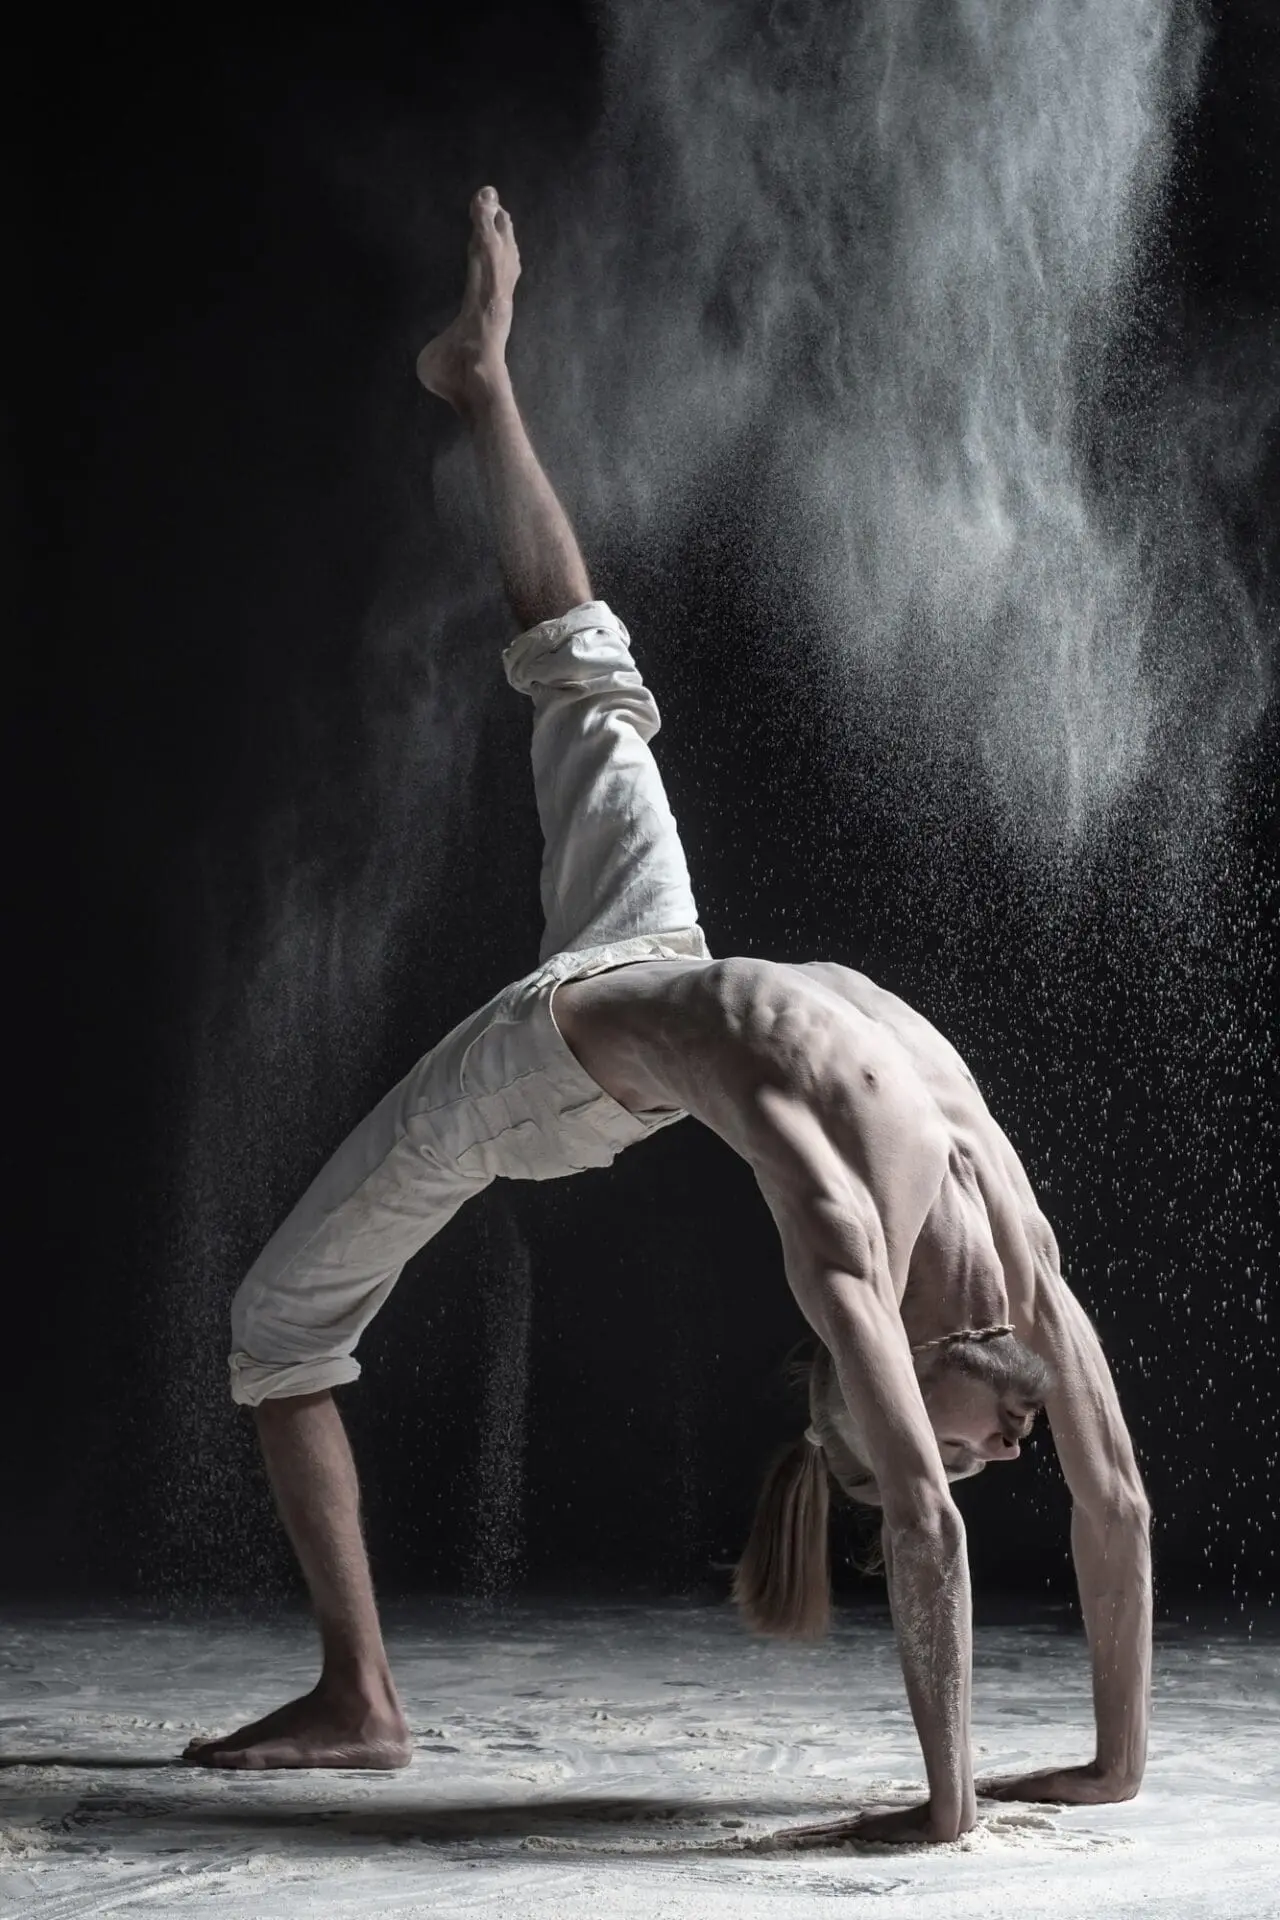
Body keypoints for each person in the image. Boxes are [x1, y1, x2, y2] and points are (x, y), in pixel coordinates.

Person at [184, 187, 1151, 1848]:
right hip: (655, 950)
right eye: (975, 1453)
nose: (995, 1458)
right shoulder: (1019, 1256)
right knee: (586, 669)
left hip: (559, 1065)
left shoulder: (850, 1247)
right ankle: (484, 382)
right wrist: (1033, 1791)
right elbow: (1078, 1503)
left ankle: (362, 1696)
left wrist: (990, 1791)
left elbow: (968, 1508)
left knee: (275, 1329)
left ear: (867, 1379)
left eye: (943, 1451)